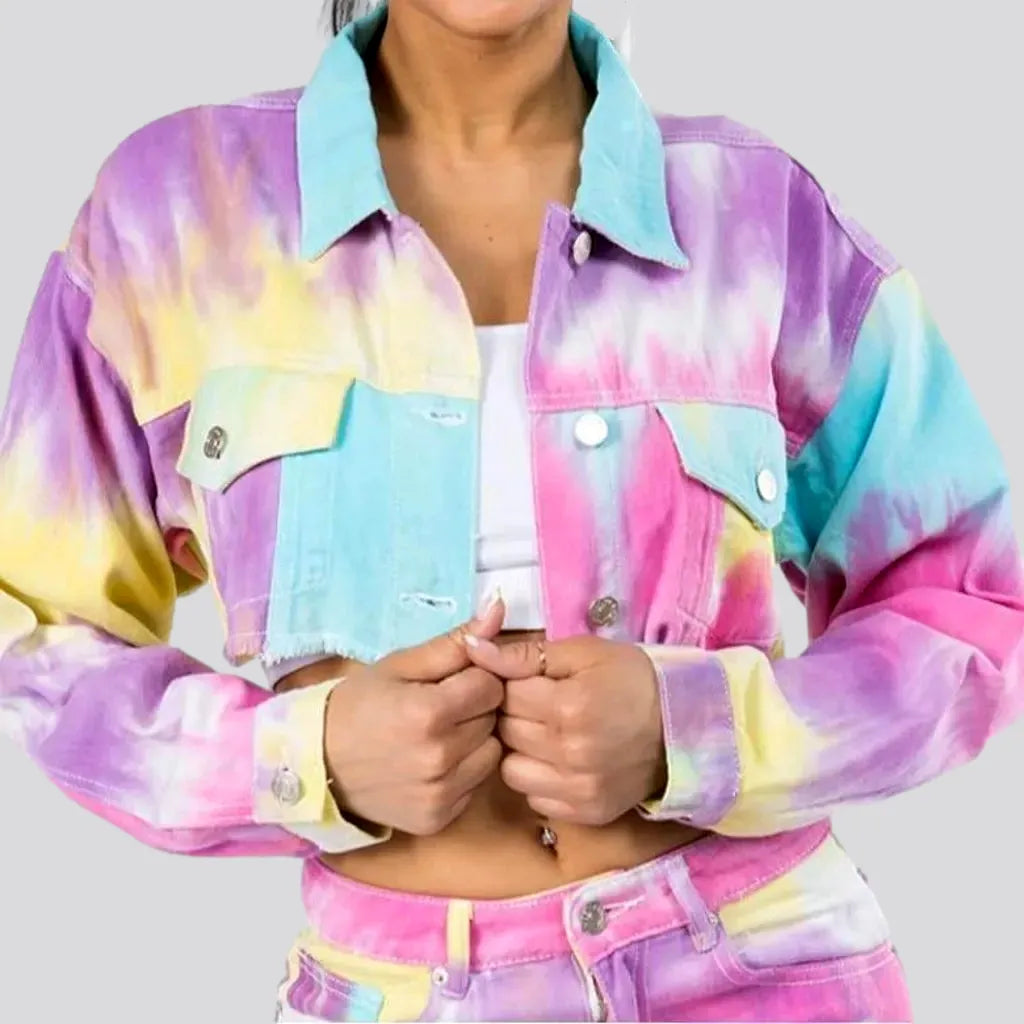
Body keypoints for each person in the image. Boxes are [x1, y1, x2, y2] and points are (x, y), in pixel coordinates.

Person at [1, 1, 1021, 1021]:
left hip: (770, 970)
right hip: (398, 991)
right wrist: (307, 757)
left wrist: (696, 730)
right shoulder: (175, 214)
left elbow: (975, 602)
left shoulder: (756, 214)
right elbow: (30, 629)